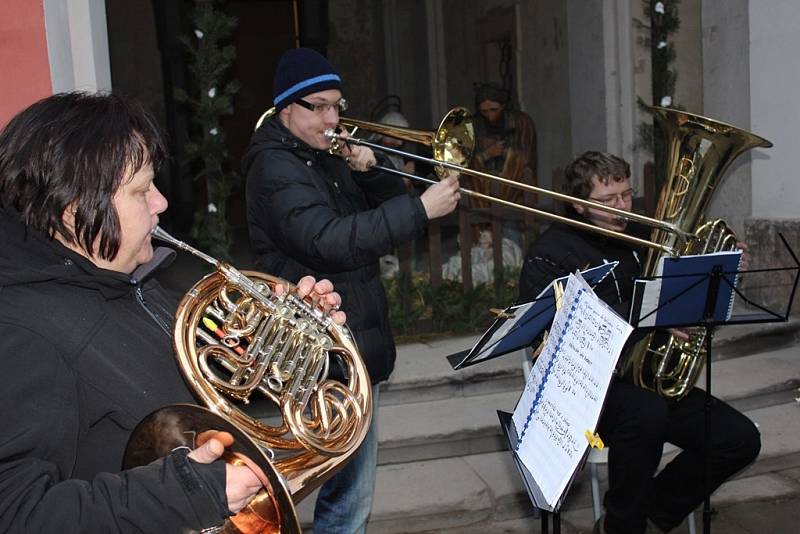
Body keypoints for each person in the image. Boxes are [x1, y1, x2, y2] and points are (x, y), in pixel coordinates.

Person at [0, 91, 345, 533]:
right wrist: (189, 491)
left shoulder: (131, 284)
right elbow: (17, 515)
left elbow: (196, 401)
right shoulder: (20, 332)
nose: (160, 203)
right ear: (73, 211)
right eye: (142, 190)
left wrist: (298, 351)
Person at [243, 48, 461, 533]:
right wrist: (421, 209)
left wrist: (371, 171)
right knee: (348, 498)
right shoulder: (276, 168)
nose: (333, 118)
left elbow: (373, 218)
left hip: (354, 340)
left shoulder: (321, 156)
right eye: (318, 107)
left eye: (337, 105)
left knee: (350, 490)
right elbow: (329, 242)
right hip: (320, 350)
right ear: (286, 110)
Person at [517, 151, 761, 534]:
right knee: (646, 413)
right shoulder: (550, 253)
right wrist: (644, 320)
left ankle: (645, 515)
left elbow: (682, 301)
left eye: (627, 196)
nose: (622, 208)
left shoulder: (644, 237)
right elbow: (547, 341)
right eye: (607, 201)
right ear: (579, 204)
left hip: (645, 379)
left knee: (739, 439)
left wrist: (720, 276)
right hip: (588, 392)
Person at [471, 82, 537, 206]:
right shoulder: (473, 126)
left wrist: (506, 152)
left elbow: (528, 160)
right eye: (484, 111)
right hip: (482, 196)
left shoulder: (522, 123)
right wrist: (486, 154)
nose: (490, 116)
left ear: (503, 106)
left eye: (494, 110)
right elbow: (465, 163)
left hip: (514, 196)